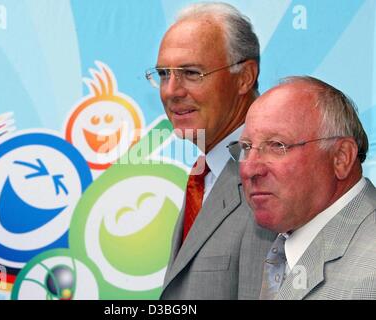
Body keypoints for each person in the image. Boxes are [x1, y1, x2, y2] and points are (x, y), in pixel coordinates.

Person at [145, 2, 275, 299]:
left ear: (245, 76)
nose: (172, 91)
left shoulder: (274, 172)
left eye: (191, 73)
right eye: (164, 74)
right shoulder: (207, 169)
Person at [233, 76, 376, 299]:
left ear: (341, 158)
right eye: (246, 147)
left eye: (277, 146)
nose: (249, 169)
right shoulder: (285, 245)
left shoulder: (370, 275)